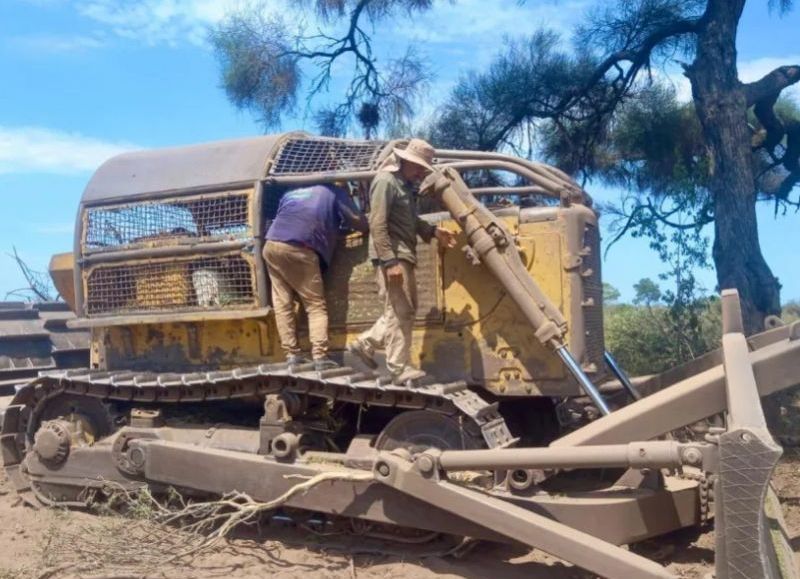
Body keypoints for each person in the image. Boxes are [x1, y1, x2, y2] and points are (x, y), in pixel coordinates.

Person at [347, 138, 456, 384]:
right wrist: (389, 261)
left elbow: (412, 221)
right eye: (418, 167)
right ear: (406, 161)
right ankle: (398, 368)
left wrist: (435, 232)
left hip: (403, 254)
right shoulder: (385, 181)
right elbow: (377, 223)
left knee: (403, 310)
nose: (420, 173)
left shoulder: (403, 186)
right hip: (394, 256)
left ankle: (365, 343)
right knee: (401, 311)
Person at [264, 183, 368, 370]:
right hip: (300, 248)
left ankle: (292, 355)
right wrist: (366, 226)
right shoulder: (334, 191)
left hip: (272, 244)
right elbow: (356, 220)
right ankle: (320, 356)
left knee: (282, 303)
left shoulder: (292, 190)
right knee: (315, 305)